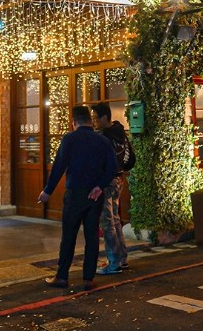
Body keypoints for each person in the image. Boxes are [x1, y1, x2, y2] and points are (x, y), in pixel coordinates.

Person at [38, 104, 117, 290]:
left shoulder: (70, 139)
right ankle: (88, 278)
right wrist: (100, 186)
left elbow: (59, 166)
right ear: (90, 121)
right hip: (94, 195)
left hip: (74, 193)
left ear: (73, 122)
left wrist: (47, 191)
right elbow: (112, 168)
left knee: (69, 236)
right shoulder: (102, 140)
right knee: (91, 236)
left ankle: (62, 276)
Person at [91, 102, 130, 274]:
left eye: (95, 118)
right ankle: (121, 258)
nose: (93, 122)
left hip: (107, 181)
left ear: (104, 117)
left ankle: (113, 263)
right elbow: (130, 158)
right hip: (119, 178)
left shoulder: (104, 137)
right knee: (115, 220)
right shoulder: (120, 132)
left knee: (107, 223)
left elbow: (99, 162)